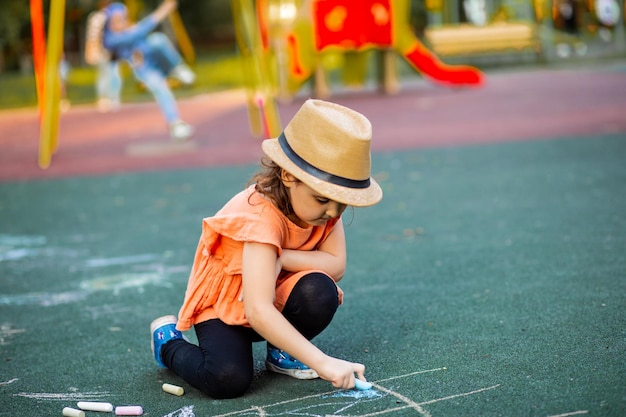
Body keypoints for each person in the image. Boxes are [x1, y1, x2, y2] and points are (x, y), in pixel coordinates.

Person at [150, 99, 383, 399]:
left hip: (272, 294)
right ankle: (168, 343)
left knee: (319, 291)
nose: (332, 211)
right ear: (288, 176)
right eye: (324, 199)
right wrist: (323, 363)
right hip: (228, 303)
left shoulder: (325, 208)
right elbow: (257, 310)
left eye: (342, 201)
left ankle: (280, 353)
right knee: (226, 379)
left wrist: (282, 257)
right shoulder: (262, 218)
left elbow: (336, 264)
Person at [102, 0, 195, 141]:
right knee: (161, 91)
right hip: (146, 70)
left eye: (123, 19)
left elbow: (142, 35)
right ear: (109, 23)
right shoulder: (112, 40)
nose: (121, 23)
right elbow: (141, 30)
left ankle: (177, 69)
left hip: (159, 61)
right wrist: (163, 11)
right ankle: (176, 124)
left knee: (158, 40)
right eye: (116, 21)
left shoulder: (129, 29)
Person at [85, 0, 123, 113]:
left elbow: (91, 36)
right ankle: (109, 99)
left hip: (108, 49)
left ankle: (109, 98)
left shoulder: (97, 16)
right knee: (109, 74)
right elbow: (93, 35)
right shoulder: (104, 16)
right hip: (105, 49)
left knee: (109, 74)